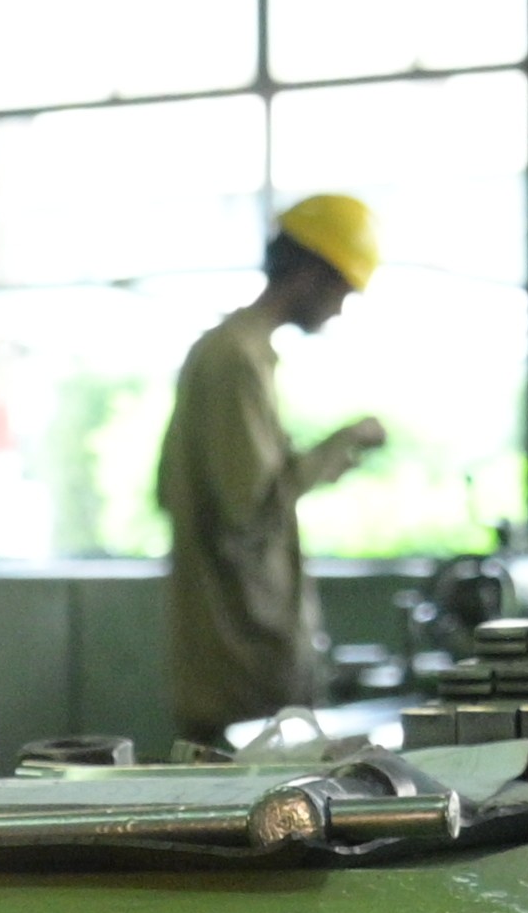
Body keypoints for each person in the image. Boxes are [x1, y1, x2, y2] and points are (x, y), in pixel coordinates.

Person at [157, 191, 390, 744]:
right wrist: (341, 443)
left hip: (227, 660)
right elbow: (252, 506)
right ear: (309, 273)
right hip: (242, 661)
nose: (338, 309)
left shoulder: (232, 354)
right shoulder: (235, 360)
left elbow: (179, 492)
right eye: (341, 291)